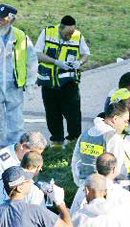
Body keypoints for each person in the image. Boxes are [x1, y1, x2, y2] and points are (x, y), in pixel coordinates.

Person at [35, 15, 90, 147]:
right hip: (49, 82)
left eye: (72, 32)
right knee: (52, 114)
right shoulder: (47, 32)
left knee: (73, 115)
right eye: (67, 33)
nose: (70, 36)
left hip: (68, 83)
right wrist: (56, 62)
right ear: (60, 28)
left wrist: (80, 62)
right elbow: (37, 53)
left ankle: (73, 143)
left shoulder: (78, 36)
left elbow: (85, 53)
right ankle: (57, 143)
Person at [0, 4, 38, 148]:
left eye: (3, 19)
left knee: (15, 118)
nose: (0, 22)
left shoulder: (20, 36)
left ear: (11, 19)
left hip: (13, 84)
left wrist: (30, 83)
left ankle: (14, 148)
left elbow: (31, 61)